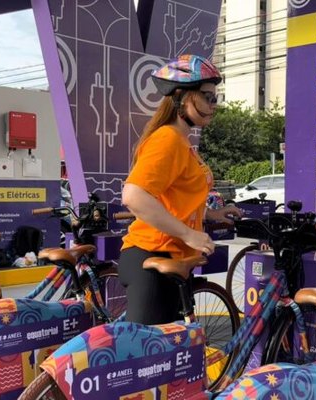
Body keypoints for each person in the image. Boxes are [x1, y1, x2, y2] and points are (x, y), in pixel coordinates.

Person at [118, 54, 242, 325]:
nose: (213, 105)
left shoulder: (183, 142)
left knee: (171, 355)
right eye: (208, 97)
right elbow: (134, 195)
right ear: (184, 98)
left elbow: (176, 198)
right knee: (145, 358)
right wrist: (188, 234)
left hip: (173, 259)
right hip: (151, 256)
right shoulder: (167, 140)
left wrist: (212, 214)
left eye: (215, 98)